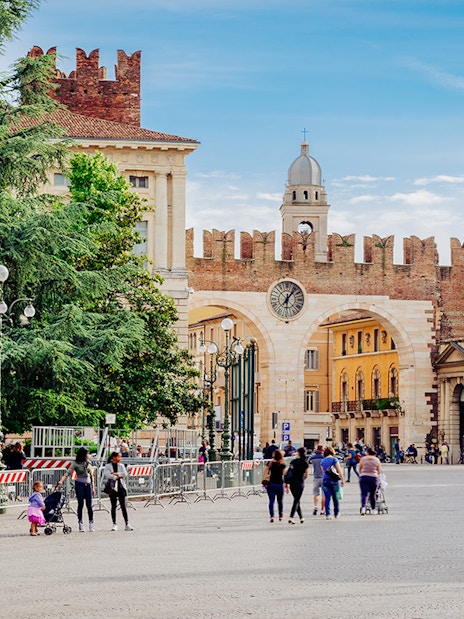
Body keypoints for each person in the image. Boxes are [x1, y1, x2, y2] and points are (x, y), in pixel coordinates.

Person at [58, 447, 95, 532]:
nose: (89, 455)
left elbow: (91, 475)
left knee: (89, 505)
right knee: (80, 504)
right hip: (80, 484)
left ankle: (91, 522)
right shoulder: (76, 463)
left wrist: (93, 487)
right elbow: (68, 473)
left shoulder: (89, 463)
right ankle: (80, 522)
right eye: (87, 453)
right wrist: (61, 481)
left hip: (88, 484)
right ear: (83, 454)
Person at [102, 451, 134, 531]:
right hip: (112, 487)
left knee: (123, 505)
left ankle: (127, 523)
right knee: (113, 505)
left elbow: (125, 474)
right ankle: (114, 523)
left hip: (120, 486)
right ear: (114, 457)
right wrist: (116, 476)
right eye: (119, 457)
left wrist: (116, 474)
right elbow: (107, 475)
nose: (120, 458)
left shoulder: (121, 465)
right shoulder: (108, 466)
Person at [286, 447, 309, 524]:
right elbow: (307, 475)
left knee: (296, 499)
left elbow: (289, 471)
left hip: (292, 482)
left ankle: (301, 517)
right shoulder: (305, 463)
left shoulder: (293, 461)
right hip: (300, 483)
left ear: (298, 453)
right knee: (296, 500)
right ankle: (291, 517)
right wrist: (302, 478)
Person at [321, 446, 344, 520]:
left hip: (325, 480)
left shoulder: (323, 461)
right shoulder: (334, 459)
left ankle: (328, 514)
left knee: (327, 498)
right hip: (334, 481)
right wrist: (342, 479)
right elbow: (339, 470)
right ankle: (336, 513)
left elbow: (323, 472)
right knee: (336, 497)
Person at [358, 447, 382, 515]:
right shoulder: (377, 460)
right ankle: (373, 509)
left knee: (364, 494)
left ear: (367, 453)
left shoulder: (363, 459)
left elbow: (360, 468)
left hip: (364, 477)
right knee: (373, 494)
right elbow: (379, 471)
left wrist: (362, 473)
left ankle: (363, 508)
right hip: (374, 478)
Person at [265, 449, 287, 523]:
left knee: (271, 501)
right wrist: (287, 485)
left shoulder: (270, 463)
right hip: (279, 484)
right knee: (280, 501)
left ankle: (272, 516)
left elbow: (265, 472)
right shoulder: (282, 465)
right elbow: (285, 476)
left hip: (271, 484)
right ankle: (280, 515)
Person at [311, 445, 325, 515]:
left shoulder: (313, 458)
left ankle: (316, 506)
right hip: (323, 477)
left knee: (315, 493)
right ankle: (322, 510)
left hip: (316, 476)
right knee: (323, 494)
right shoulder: (324, 458)